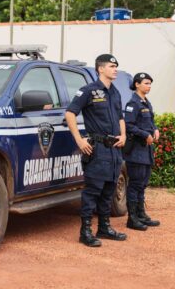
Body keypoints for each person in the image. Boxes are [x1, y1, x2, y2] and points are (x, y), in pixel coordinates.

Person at [66, 54, 127, 247]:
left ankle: (104, 228)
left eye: (116, 66)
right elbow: (70, 113)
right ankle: (85, 232)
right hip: (97, 149)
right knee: (92, 192)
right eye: (111, 66)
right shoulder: (88, 91)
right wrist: (79, 140)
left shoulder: (115, 92)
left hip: (114, 150)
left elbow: (120, 117)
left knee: (109, 191)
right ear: (100, 69)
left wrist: (123, 135)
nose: (115, 69)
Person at [123, 72, 161, 230]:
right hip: (136, 150)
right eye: (146, 83)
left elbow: (151, 121)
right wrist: (145, 134)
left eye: (150, 83)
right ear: (137, 84)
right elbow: (128, 125)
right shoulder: (133, 103)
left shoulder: (146, 102)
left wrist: (155, 129)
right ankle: (132, 219)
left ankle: (141, 215)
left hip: (146, 150)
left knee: (143, 183)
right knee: (135, 184)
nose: (149, 86)